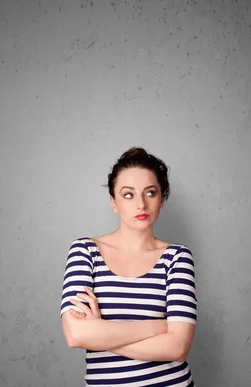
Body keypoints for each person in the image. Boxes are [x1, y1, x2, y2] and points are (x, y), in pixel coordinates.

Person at [59, 147, 198, 386]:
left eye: (150, 193)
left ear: (162, 198)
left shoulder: (177, 257)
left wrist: (101, 332)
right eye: (128, 194)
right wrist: (159, 327)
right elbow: (76, 335)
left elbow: (177, 348)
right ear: (113, 202)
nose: (141, 204)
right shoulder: (85, 251)